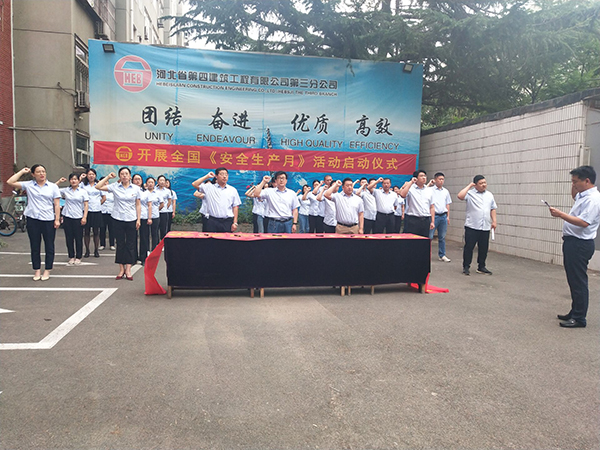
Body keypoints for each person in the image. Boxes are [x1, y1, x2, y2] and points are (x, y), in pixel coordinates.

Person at [548, 166, 600, 328]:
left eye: (576, 181)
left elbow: (584, 222)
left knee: (578, 281)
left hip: (580, 244)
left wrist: (561, 214)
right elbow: (574, 196)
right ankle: (575, 311)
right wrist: (574, 186)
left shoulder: (593, 199)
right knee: (573, 279)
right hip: (573, 242)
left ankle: (579, 318)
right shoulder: (583, 196)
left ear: (587, 181)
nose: (574, 185)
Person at [7, 165, 61, 281]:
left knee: (49, 245)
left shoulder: (53, 187)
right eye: (38, 172)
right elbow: (10, 182)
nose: (42, 174)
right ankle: (37, 270)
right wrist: (22, 172)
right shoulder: (29, 185)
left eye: (43, 171)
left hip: (48, 219)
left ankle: (47, 270)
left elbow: (57, 204)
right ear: (33, 174)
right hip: (33, 219)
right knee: (35, 246)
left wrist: (57, 219)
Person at [96, 167, 141, 280]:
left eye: (126, 174)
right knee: (120, 244)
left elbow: (138, 204)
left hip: (131, 218)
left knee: (130, 244)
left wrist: (138, 219)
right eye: (122, 174)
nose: (124, 176)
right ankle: (121, 269)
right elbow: (98, 186)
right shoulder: (115, 187)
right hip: (117, 218)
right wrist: (108, 177)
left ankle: (128, 269)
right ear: (119, 176)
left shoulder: (136, 188)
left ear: (130, 176)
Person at [457, 175, 497, 276]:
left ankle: (481, 266)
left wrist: (494, 221)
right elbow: (460, 196)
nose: (483, 185)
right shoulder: (470, 193)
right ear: (475, 185)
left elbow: (493, 208)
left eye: (484, 182)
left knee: (483, 248)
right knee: (469, 247)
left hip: (485, 226)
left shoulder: (489, 195)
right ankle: (466, 266)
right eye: (481, 183)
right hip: (472, 226)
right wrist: (469, 186)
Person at [192, 168, 241, 232]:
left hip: (227, 221)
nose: (224, 176)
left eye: (226, 174)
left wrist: (235, 223)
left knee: (226, 238)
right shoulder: (209, 187)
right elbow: (194, 184)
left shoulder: (232, 190)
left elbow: (235, 206)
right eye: (222, 174)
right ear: (216, 176)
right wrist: (207, 176)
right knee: (210, 238)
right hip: (212, 220)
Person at [56, 173, 89, 266]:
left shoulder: (83, 191)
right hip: (67, 216)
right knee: (69, 238)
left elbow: (86, 205)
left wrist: (84, 217)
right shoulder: (66, 190)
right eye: (72, 179)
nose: (73, 181)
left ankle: (78, 256)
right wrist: (59, 181)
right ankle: (71, 256)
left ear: (79, 180)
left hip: (78, 216)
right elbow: (52, 189)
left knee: (78, 238)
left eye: (75, 179)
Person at [399, 170, 435, 238]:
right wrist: (411, 182)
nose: (424, 178)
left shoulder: (429, 190)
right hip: (412, 219)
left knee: (424, 240)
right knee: (411, 240)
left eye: (424, 176)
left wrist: (432, 221)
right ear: (416, 178)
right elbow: (402, 195)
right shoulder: (410, 188)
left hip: (425, 220)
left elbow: (432, 206)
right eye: (421, 176)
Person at [428, 172, 453, 262]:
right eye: (439, 179)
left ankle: (442, 255)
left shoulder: (445, 191)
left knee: (442, 237)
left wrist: (448, 216)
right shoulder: (430, 190)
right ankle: (427, 254)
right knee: (430, 236)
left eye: (443, 179)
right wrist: (429, 184)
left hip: (443, 216)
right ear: (435, 180)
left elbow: (447, 204)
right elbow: (423, 191)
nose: (441, 181)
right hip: (433, 216)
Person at [139, 176, 163, 264]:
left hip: (155, 216)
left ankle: (154, 253)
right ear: (146, 183)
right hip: (145, 216)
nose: (150, 184)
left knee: (154, 234)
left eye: (152, 182)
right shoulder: (143, 193)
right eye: (149, 182)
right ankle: (144, 255)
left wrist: (156, 210)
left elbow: (162, 204)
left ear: (154, 184)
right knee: (144, 235)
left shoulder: (158, 193)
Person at [81, 168, 104, 258]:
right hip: (86, 211)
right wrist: (80, 179)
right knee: (86, 231)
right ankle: (87, 250)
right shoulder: (83, 185)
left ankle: (96, 250)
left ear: (95, 175)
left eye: (93, 174)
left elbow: (104, 197)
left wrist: (98, 203)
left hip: (96, 210)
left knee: (96, 232)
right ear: (87, 175)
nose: (91, 176)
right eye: (89, 174)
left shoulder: (98, 184)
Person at [156, 175, 173, 240]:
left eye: (163, 180)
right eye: (161, 180)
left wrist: (165, 208)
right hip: (155, 212)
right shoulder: (154, 190)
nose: (162, 182)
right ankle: (156, 243)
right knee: (156, 229)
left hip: (164, 212)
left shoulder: (167, 191)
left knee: (163, 229)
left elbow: (169, 201)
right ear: (158, 181)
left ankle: (163, 243)